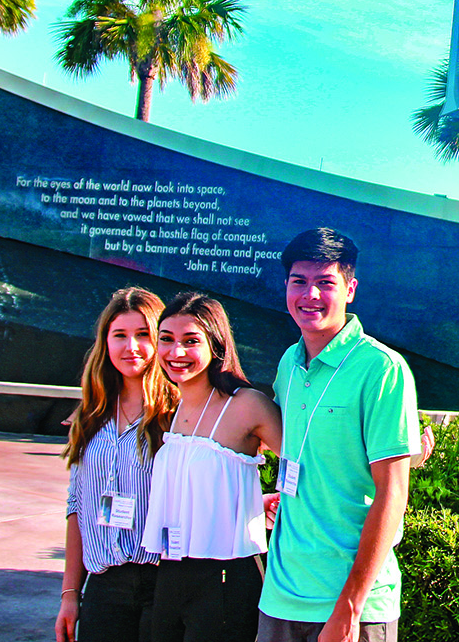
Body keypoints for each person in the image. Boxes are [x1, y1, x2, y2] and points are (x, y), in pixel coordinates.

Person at [258, 228, 421, 642]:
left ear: (350, 289)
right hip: (279, 597)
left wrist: (350, 607)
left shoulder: (382, 369)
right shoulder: (288, 364)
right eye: (299, 281)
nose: (309, 294)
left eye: (325, 282)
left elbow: (393, 494)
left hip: (353, 609)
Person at [138, 291, 283, 642]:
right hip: (171, 572)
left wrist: (400, 461)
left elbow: (314, 463)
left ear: (215, 344)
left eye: (191, 341)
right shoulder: (173, 408)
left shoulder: (248, 405)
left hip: (227, 577)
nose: (177, 353)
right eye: (167, 340)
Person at [56, 287, 179, 642]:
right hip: (104, 587)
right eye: (120, 335)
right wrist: (69, 596)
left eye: (144, 334)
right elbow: (76, 508)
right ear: (105, 342)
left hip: (165, 585)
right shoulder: (90, 417)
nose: (132, 347)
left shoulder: (180, 415)